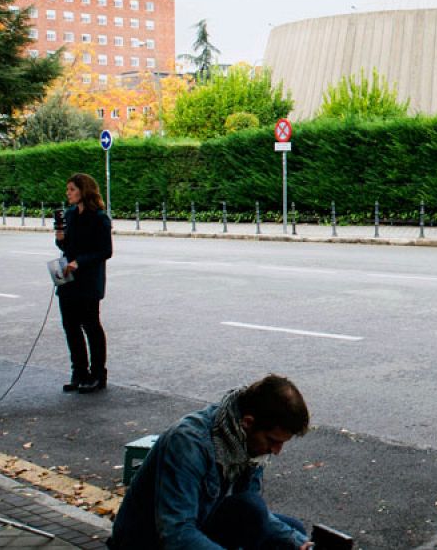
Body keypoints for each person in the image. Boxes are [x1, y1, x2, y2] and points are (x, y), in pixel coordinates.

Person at [110, 375, 314, 550]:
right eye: (272, 441)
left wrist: (299, 543)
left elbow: (250, 509)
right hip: (146, 541)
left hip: (200, 521)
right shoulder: (188, 443)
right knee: (253, 511)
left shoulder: (245, 440)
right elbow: (176, 533)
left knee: (292, 532)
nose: (276, 451)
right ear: (248, 423)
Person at [54, 172, 111, 393]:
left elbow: (105, 251)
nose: (68, 194)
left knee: (91, 326)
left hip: (87, 280)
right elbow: (66, 247)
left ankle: (98, 374)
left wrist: (80, 262)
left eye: (72, 190)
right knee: (70, 326)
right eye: (67, 190)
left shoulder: (99, 218)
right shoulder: (69, 215)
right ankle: (79, 371)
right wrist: (60, 238)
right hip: (68, 278)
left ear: (83, 191)